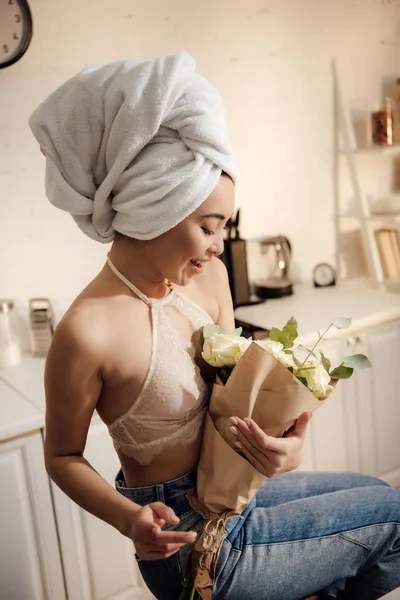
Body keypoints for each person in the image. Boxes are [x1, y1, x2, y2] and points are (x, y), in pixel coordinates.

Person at [29, 51, 400, 600]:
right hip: (186, 538)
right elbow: (62, 457)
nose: (220, 243)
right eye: (208, 225)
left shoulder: (212, 280)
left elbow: (242, 398)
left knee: (374, 492)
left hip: (233, 489)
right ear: (153, 208)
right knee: (393, 514)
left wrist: (287, 448)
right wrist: (130, 519)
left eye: (224, 224)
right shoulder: (87, 331)